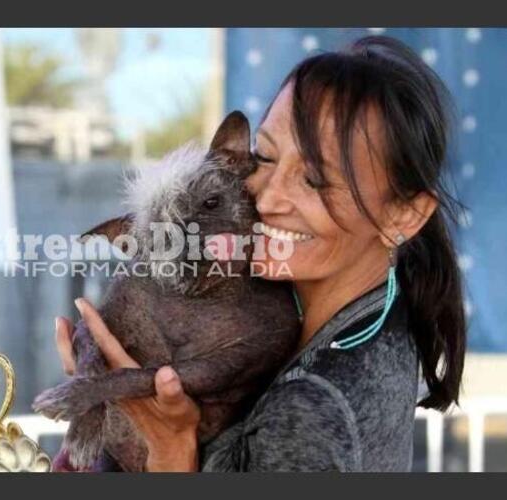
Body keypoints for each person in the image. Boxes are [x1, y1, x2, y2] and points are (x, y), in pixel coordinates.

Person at [53, 35, 467, 472]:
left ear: (404, 215)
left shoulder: (308, 412)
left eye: (313, 180)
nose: (266, 199)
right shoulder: (367, 316)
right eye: (264, 157)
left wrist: (170, 447)